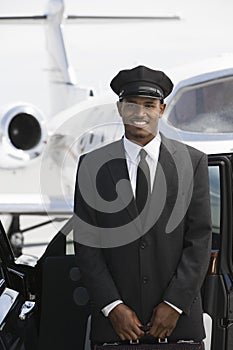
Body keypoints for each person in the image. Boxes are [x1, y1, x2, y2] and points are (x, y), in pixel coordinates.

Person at [73, 65, 212, 348]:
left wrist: (174, 304)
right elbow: (87, 245)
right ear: (119, 108)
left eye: (149, 105)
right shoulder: (91, 165)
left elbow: (199, 240)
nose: (140, 113)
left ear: (161, 109)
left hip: (179, 327)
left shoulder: (193, 162)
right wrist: (113, 307)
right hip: (116, 330)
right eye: (132, 105)